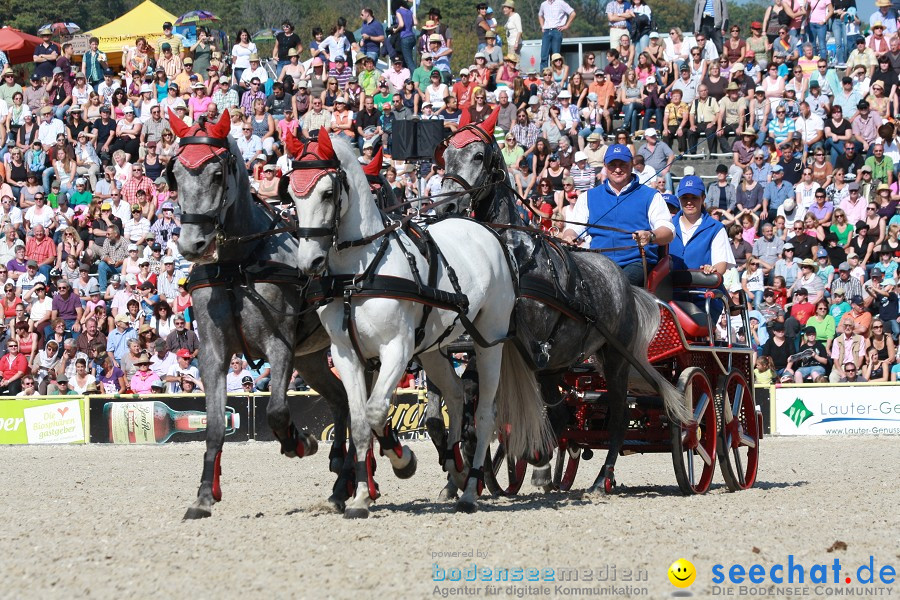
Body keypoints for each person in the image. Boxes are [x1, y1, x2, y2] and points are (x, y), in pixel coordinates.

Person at [561, 144, 674, 285]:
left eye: (623, 164)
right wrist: (569, 236)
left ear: (632, 164)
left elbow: (668, 231)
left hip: (636, 263)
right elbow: (573, 228)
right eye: (612, 165)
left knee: (615, 285)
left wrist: (650, 236)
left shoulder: (651, 195)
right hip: (598, 262)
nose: (618, 169)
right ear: (605, 166)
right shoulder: (588, 196)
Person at [538, 0, 576, 70]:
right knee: (544, 55)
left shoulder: (560, 2)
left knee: (556, 56)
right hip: (547, 31)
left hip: (556, 30)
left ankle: (556, 73)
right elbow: (540, 15)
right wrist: (542, 26)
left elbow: (572, 13)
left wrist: (566, 25)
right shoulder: (544, 4)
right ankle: (544, 74)